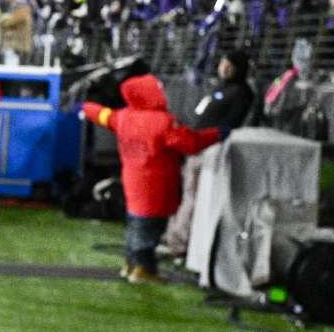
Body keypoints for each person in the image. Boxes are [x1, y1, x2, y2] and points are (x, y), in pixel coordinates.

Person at [83, 74, 221, 283]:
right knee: (149, 231)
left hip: (133, 183)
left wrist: (83, 107)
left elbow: (102, 115)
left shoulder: (123, 117)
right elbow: (191, 143)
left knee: (135, 225)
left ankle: (130, 264)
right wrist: (218, 133)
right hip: (157, 186)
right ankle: (143, 270)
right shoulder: (164, 122)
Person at [161, 48, 254, 256]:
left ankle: (180, 242)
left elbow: (231, 123)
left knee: (194, 196)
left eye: (230, 65)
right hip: (195, 147)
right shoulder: (219, 88)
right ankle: (174, 236)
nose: (224, 68)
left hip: (211, 150)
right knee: (186, 194)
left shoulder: (241, 92)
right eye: (223, 63)